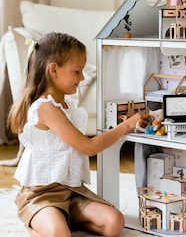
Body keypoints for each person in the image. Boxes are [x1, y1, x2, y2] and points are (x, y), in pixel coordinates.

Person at [7, 32, 150, 237]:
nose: (82, 78)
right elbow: (88, 147)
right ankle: (38, 224)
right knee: (59, 233)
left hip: (72, 192)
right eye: (77, 71)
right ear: (54, 70)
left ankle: (63, 219)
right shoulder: (46, 108)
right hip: (42, 195)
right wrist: (127, 125)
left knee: (115, 222)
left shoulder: (68, 105)